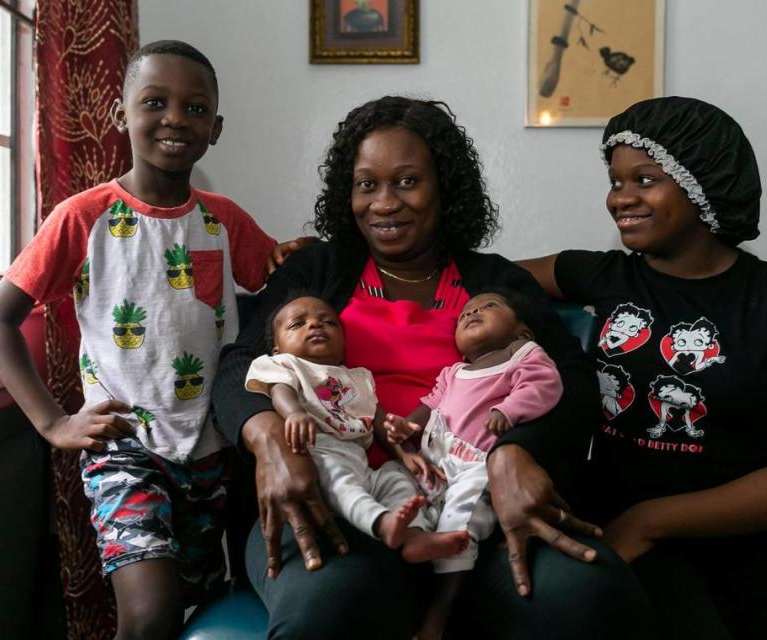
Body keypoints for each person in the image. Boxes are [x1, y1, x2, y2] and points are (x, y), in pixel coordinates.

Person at [212, 95, 653, 639]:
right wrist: (270, 440)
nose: (384, 203)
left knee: (589, 594)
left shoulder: (496, 284)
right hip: (335, 492)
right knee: (333, 602)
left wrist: (516, 452)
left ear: (444, 186)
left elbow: (574, 383)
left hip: (474, 501)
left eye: (406, 181)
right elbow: (240, 366)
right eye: (366, 184)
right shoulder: (317, 269)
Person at [0, 40, 302, 640]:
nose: (176, 117)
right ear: (120, 114)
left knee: (192, 604)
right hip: (124, 448)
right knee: (147, 617)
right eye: (155, 101)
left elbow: (281, 290)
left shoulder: (225, 219)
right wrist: (53, 424)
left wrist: (301, 258)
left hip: (212, 452)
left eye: (195, 107)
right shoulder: (81, 216)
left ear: (216, 128)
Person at [518, 96, 767, 638]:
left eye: (644, 180)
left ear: (703, 184)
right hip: (613, 524)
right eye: (615, 180)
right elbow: (475, 279)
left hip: (744, 543)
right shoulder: (602, 276)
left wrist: (650, 522)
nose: (620, 198)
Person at [384, 289, 564, 639]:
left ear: (522, 331)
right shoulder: (454, 371)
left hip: (476, 465)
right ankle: (416, 536)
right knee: (393, 476)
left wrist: (509, 409)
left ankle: (442, 605)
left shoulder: (521, 353)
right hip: (436, 458)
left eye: (489, 306)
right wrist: (407, 426)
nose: (474, 311)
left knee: (460, 516)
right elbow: (431, 405)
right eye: (466, 311)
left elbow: (545, 385)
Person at [245, 294, 470, 560]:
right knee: (340, 481)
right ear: (277, 348)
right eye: (298, 324)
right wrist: (293, 413)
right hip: (319, 454)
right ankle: (382, 523)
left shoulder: (358, 377)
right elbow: (280, 389)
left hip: (360, 461)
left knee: (395, 479)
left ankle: (414, 535)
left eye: (328, 322)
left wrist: (405, 453)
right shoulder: (284, 364)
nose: (316, 326)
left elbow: (377, 419)